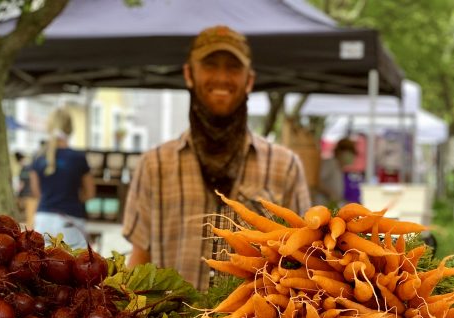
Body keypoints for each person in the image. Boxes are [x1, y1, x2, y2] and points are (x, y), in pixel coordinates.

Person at [122, 25, 311, 291]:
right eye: (210, 65)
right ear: (189, 74)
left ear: (249, 80)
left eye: (233, 68)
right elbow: (140, 258)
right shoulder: (155, 165)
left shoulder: (285, 166)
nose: (222, 77)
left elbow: (304, 259)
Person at [30, 108, 95, 250]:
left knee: (41, 264)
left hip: (43, 219)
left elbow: (36, 192)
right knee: (76, 265)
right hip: (70, 220)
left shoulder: (37, 157)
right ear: (70, 128)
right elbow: (90, 193)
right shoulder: (78, 158)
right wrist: (71, 198)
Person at [315, 137, 357, 208]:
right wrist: (330, 194)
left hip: (330, 207)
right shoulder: (330, 163)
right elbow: (316, 181)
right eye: (349, 152)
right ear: (339, 151)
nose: (351, 156)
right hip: (321, 206)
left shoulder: (339, 168)